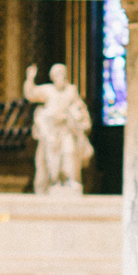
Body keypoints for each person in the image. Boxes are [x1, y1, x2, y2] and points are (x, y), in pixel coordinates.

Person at [23, 63, 93, 194]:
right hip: (51, 130)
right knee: (52, 158)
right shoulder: (47, 90)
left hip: (66, 128)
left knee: (69, 152)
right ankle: (55, 181)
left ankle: (70, 180)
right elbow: (31, 94)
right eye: (56, 74)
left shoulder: (71, 91)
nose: (59, 77)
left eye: (61, 74)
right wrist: (30, 78)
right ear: (52, 77)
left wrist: (81, 119)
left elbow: (80, 108)